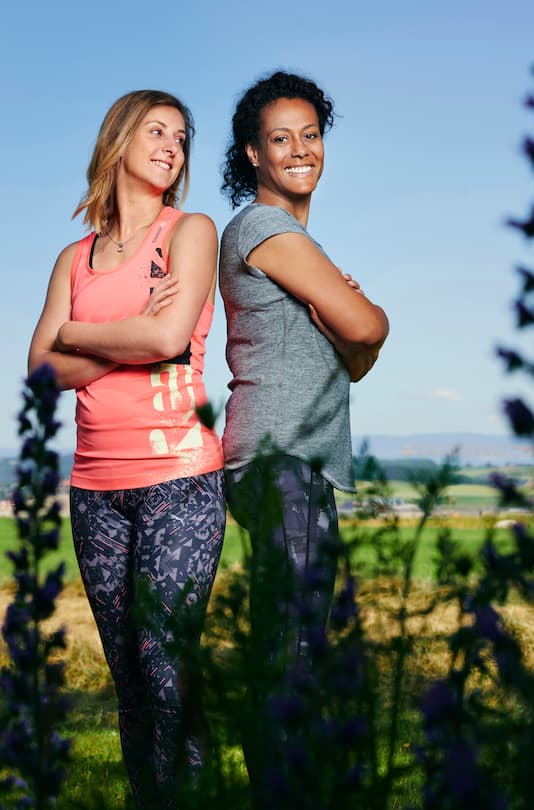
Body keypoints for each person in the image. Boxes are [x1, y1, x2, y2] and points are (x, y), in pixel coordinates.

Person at [28, 90, 225, 809]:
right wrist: (124, 331)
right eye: (156, 130)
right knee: (133, 684)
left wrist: (77, 335)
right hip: (95, 491)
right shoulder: (73, 259)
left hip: (181, 478)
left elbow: (168, 339)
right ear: (117, 141)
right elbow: (38, 372)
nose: (173, 145)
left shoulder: (190, 232)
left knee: (166, 665)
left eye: (181, 136)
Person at [219, 70, 389, 802]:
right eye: (279, 138)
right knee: (292, 653)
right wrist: (359, 317)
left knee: (291, 647)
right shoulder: (266, 229)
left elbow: (352, 361)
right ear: (253, 153)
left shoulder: (294, 243)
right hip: (281, 459)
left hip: (288, 461)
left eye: (310, 135)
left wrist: (354, 330)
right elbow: (368, 329)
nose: (298, 150)